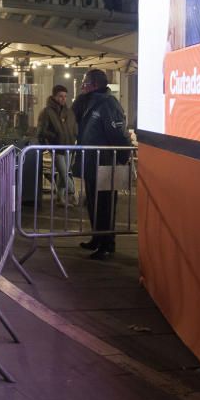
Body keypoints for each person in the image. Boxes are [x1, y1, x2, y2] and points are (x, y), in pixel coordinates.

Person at [72, 69, 130, 261]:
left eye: (85, 82)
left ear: (95, 85)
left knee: (104, 205)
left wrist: (122, 157)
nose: (82, 86)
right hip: (91, 161)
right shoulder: (90, 103)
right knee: (93, 204)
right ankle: (97, 238)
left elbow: (117, 132)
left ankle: (107, 243)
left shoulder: (107, 103)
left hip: (104, 161)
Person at [36, 84, 78, 206]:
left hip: (69, 146)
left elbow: (74, 126)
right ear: (54, 96)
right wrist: (54, 137)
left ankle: (60, 198)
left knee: (63, 173)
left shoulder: (69, 112)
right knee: (64, 172)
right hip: (57, 147)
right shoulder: (46, 112)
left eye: (65, 96)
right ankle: (72, 192)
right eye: (60, 96)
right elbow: (41, 130)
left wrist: (74, 135)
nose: (63, 99)